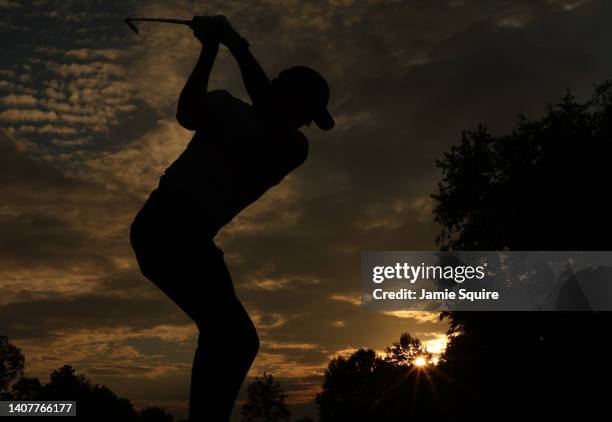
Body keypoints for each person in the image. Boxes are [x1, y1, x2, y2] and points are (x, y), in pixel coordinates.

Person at [129, 16, 334, 422]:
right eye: (308, 109)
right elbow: (187, 114)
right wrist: (211, 49)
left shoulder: (294, 146)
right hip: (166, 222)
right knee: (234, 337)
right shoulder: (225, 105)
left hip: (185, 233)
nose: (309, 122)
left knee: (232, 337)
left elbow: (271, 114)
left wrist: (234, 45)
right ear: (287, 94)